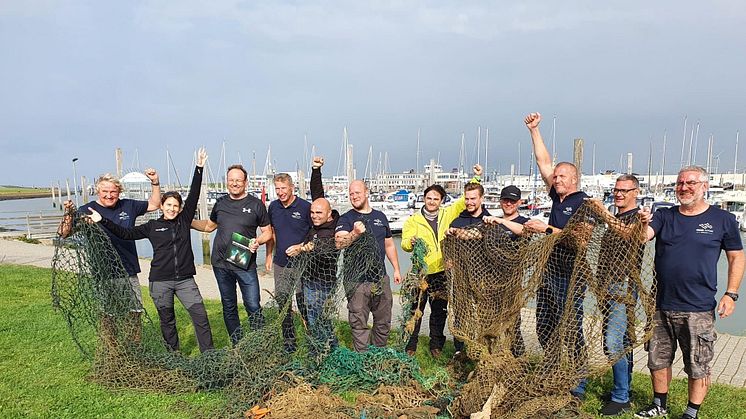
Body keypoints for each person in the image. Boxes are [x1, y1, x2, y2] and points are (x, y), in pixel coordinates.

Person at [634, 166, 744, 419]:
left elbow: (736, 256)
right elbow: (643, 237)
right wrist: (642, 224)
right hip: (660, 304)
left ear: (704, 186)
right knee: (657, 360)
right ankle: (659, 405)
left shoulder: (723, 220)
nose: (684, 187)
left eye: (691, 183)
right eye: (680, 183)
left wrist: (731, 293)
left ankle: (691, 412)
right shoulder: (664, 215)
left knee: (698, 363)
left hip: (699, 307)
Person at [87, 148, 214, 353]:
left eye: (175, 206)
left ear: (180, 208)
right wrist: (103, 221)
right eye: (168, 205)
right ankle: (174, 356)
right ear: (162, 206)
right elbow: (125, 233)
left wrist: (199, 167)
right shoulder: (152, 227)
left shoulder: (184, 220)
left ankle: (209, 355)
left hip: (185, 281)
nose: (172, 209)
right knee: (167, 322)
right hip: (159, 282)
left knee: (200, 316)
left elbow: (194, 194)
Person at [523, 112, 590, 399]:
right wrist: (534, 130)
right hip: (549, 271)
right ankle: (551, 369)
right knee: (544, 323)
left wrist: (546, 229)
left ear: (574, 179)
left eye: (562, 176)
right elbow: (543, 162)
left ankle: (579, 381)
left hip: (571, 274)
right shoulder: (556, 197)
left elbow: (581, 240)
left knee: (571, 326)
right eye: (556, 176)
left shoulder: (583, 203)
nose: (556, 178)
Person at [58, 167, 161, 341]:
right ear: (98, 191)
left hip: (128, 271)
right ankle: (112, 353)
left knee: (134, 313)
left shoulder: (129, 205)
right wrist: (69, 214)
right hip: (102, 273)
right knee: (108, 316)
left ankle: (134, 350)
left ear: (119, 191)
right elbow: (63, 233)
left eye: (113, 191)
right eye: (105, 191)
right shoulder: (86, 209)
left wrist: (155, 182)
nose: (109, 195)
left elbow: (154, 204)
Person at [401, 164, 482, 358]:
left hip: (441, 272)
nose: (431, 201)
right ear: (424, 199)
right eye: (429, 198)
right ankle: (410, 344)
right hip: (420, 271)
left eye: (435, 199)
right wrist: (411, 243)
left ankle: (436, 344)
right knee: (415, 310)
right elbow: (403, 243)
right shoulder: (413, 220)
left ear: (441, 201)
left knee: (439, 311)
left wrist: (476, 178)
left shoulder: (448, 213)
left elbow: (465, 200)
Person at [190, 164, 272, 345]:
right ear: (227, 181)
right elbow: (209, 227)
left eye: (238, 180)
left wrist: (257, 241)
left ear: (245, 182)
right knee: (229, 307)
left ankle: (260, 344)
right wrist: (187, 220)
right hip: (220, 265)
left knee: (253, 305)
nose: (234, 184)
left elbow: (268, 232)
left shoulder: (256, 205)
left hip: (245, 264)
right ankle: (238, 344)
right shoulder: (220, 203)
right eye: (231, 180)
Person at [587, 175, 646, 416]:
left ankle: (620, 397)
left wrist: (602, 211)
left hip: (623, 287)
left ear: (636, 192)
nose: (619, 194)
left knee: (612, 343)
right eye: (616, 190)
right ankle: (624, 389)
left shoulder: (638, 218)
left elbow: (627, 234)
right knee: (620, 342)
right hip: (606, 286)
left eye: (624, 190)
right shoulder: (617, 216)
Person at [335, 180, 402, 352]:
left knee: (384, 320)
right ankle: (362, 357)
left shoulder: (380, 217)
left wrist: (396, 269)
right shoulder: (346, 218)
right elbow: (339, 243)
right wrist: (354, 233)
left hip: (380, 278)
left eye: (357, 192)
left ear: (366, 192)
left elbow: (389, 245)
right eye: (351, 194)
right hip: (356, 281)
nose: (354, 196)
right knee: (359, 322)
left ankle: (378, 352)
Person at [285, 157, 340, 356]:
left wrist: (302, 248)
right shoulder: (316, 221)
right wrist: (316, 170)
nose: (315, 215)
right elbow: (318, 195)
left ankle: (323, 352)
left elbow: (326, 247)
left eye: (319, 213)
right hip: (308, 280)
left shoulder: (333, 226)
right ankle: (323, 349)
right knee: (314, 318)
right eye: (312, 212)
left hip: (323, 283)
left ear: (329, 215)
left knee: (320, 319)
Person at [266, 171, 313, 352]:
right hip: (281, 264)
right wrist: (269, 254)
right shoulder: (273, 207)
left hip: (302, 264)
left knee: (303, 303)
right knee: (283, 303)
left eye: (283, 188)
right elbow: (272, 233)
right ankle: (289, 342)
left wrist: (301, 246)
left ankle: (311, 338)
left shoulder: (304, 207)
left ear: (292, 188)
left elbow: (313, 235)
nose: (280, 192)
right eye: (277, 189)